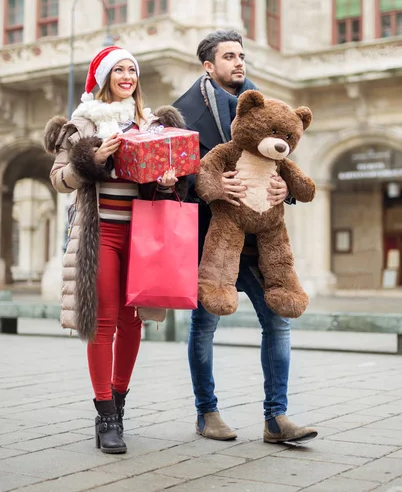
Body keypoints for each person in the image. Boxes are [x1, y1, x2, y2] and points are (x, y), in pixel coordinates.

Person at [174, 30, 318, 444]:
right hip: (212, 242)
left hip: (260, 244)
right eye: (229, 56)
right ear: (208, 65)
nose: (239, 62)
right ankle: (207, 413)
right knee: (204, 327)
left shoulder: (265, 105)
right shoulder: (184, 113)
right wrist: (217, 185)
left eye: (241, 55)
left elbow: (282, 161)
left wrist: (285, 191)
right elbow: (180, 182)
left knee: (277, 322)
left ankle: (277, 418)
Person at [44, 46, 186, 454]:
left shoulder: (154, 122)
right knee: (103, 322)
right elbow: (60, 180)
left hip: (143, 236)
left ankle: (120, 405)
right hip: (100, 233)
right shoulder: (82, 122)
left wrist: (165, 179)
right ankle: (105, 416)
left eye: (132, 70)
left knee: (133, 322)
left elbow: (166, 184)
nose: (127, 76)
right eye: (118, 70)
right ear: (104, 76)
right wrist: (93, 159)